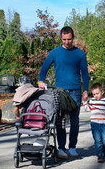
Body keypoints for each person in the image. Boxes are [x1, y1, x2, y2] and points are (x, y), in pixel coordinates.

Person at [38, 26, 89, 159]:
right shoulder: (55, 53)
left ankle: (72, 147)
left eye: (69, 39)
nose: (67, 42)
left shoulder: (80, 54)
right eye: (64, 39)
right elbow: (44, 68)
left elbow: (85, 73)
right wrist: (40, 80)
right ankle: (61, 148)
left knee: (74, 121)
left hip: (75, 91)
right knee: (59, 121)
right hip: (59, 91)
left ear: (73, 38)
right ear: (61, 38)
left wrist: (86, 90)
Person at [84, 83, 105, 163]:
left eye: (97, 93)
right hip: (94, 123)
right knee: (97, 140)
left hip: (104, 124)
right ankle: (99, 155)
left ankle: (104, 151)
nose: (95, 96)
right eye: (94, 94)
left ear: (102, 92)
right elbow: (87, 108)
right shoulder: (92, 101)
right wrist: (84, 102)